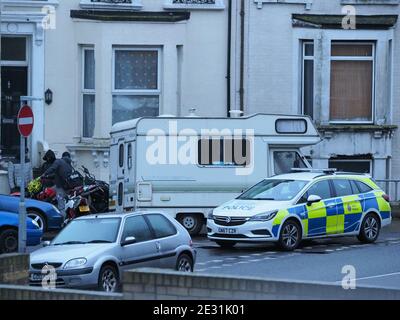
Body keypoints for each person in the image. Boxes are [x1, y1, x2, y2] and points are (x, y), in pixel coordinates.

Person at [42, 152, 74, 218]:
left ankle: (62, 221)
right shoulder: (69, 164)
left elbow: (52, 168)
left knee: (61, 206)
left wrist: (44, 174)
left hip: (60, 187)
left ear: (62, 156)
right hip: (69, 187)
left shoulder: (59, 161)